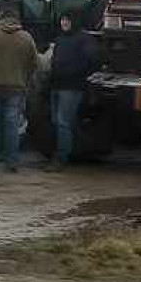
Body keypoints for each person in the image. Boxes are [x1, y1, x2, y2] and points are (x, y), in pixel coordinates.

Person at [0, 11, 38, 172]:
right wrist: (24, 77)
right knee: (11, 125)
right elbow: (34, 62)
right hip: (16, 86)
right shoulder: (27, 38)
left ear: (1, 20)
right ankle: (11, 162)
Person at [47, 10, 98, 172]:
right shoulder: (60, 39)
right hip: (56, 85)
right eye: (62, 20)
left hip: (72, 87)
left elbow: (90, 61)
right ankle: (75, 149)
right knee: (58, 121)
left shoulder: (84, 39)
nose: (64, 23)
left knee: (63, 122)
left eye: (67, 20)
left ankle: (61, 157)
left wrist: (74, 73)